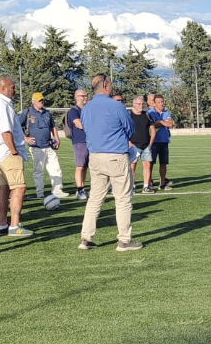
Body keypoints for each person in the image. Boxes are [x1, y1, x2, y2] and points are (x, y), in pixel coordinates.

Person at [78, 74, 142, 252]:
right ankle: (124, 240)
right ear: (105, 85)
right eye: (111, 84)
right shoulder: (116, 106)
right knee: (123, 199)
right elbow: (130, 128)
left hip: (95, 156)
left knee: (95, 198)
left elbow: (86, 129)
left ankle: (86, 237)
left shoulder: (87, 108)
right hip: (116, 156)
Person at [0, 77, 32, 237]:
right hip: (8, 152)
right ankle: (14, 225)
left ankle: (2, 224)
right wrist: (14, 150)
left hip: (0, 152)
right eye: (12, 87)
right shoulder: (2, 105)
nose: (14, 90)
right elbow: (5, 131)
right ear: (3, 88)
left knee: (4, 188)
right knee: (19, 187)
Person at [19, 92, 68, 199]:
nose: (42, 102)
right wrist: (25, 138)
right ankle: (40, 192)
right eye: (40, 100)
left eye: (42, 100)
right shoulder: (27, 112)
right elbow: (17, 126)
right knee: (38, 171)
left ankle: (57, 190)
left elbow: (53, 127)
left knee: (56, 168)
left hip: (49, 145)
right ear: (33, 101)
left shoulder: (47, 113)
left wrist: (57, 139)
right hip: (36, 147)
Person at [129, 95, 156, 193]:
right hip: (133, 146)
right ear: (134, 104)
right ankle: (132, 186)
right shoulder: (129, 115)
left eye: (142, 104)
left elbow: (153, 130)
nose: (141, 106)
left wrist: (150, 144)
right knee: (132, 166)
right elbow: (124, 131)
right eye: (139, 104)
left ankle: (146, 186)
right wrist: (129, 143)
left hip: (146, 146)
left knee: (147, 165)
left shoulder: (147, 115)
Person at [148, 94, 174, 191]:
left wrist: (160, 122)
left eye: (162, 101)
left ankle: (162, 184)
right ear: (154, 103)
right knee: (150, 163)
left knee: (163, 163)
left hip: (164, 141)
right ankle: (149, 182)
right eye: (159, 102)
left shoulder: (166, 112)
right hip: (153, 142)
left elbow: (170, 124)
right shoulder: (150, 113)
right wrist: (163, 122)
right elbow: (151, 125)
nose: (161, 104)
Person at [67, 89, 90, 200]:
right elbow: (79, 124)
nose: (85, 97)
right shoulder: (73, 111)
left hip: (89, 140)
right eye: (82, 96)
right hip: (80, 141)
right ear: (76, 97)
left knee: (85, 167)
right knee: (80, 166)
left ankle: (83, 188)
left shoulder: (87, 110)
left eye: (86, 95)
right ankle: (79, 189)